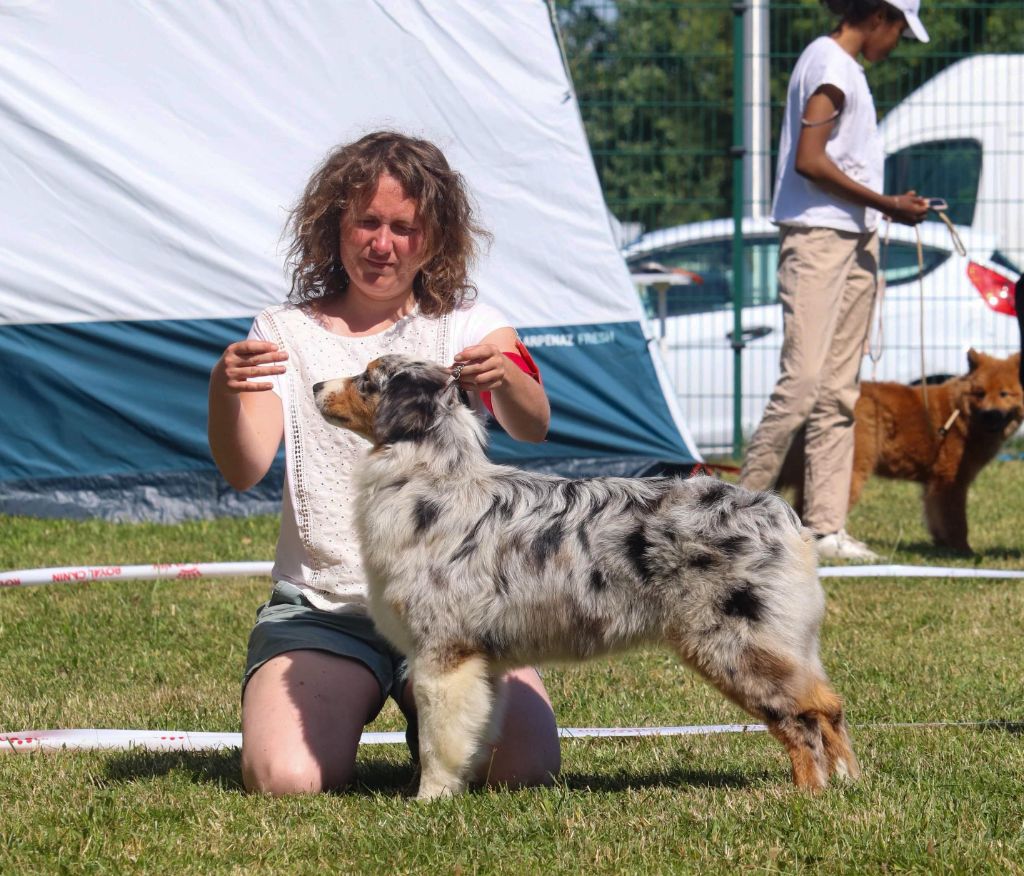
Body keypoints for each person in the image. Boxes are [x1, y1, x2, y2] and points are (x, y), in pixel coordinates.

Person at [208, 131, 561, 795]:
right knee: (286, 780)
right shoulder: (280, 331)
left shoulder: (471, 324)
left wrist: (510, 378)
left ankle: (431, 721)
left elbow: (533, 424)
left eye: (404, 227)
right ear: (334, 225)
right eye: (367, 222)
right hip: (326, 608)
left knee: (523, 769)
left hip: (457, 604)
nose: (382, 243)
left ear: (434, 238)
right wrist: (223, 392)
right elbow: (243, 468)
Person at [740, 0, 931, 561]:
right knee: (802, 383)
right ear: (880, 17)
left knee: (838, 392)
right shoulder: (829, 64)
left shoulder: (845, 68)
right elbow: (810, 159)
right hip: (819, 238)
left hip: (853, 237)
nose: (895, 43)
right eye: (899, 30)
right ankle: (733, 516)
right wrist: (888, 204)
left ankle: (824, 527)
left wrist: (880, 210)